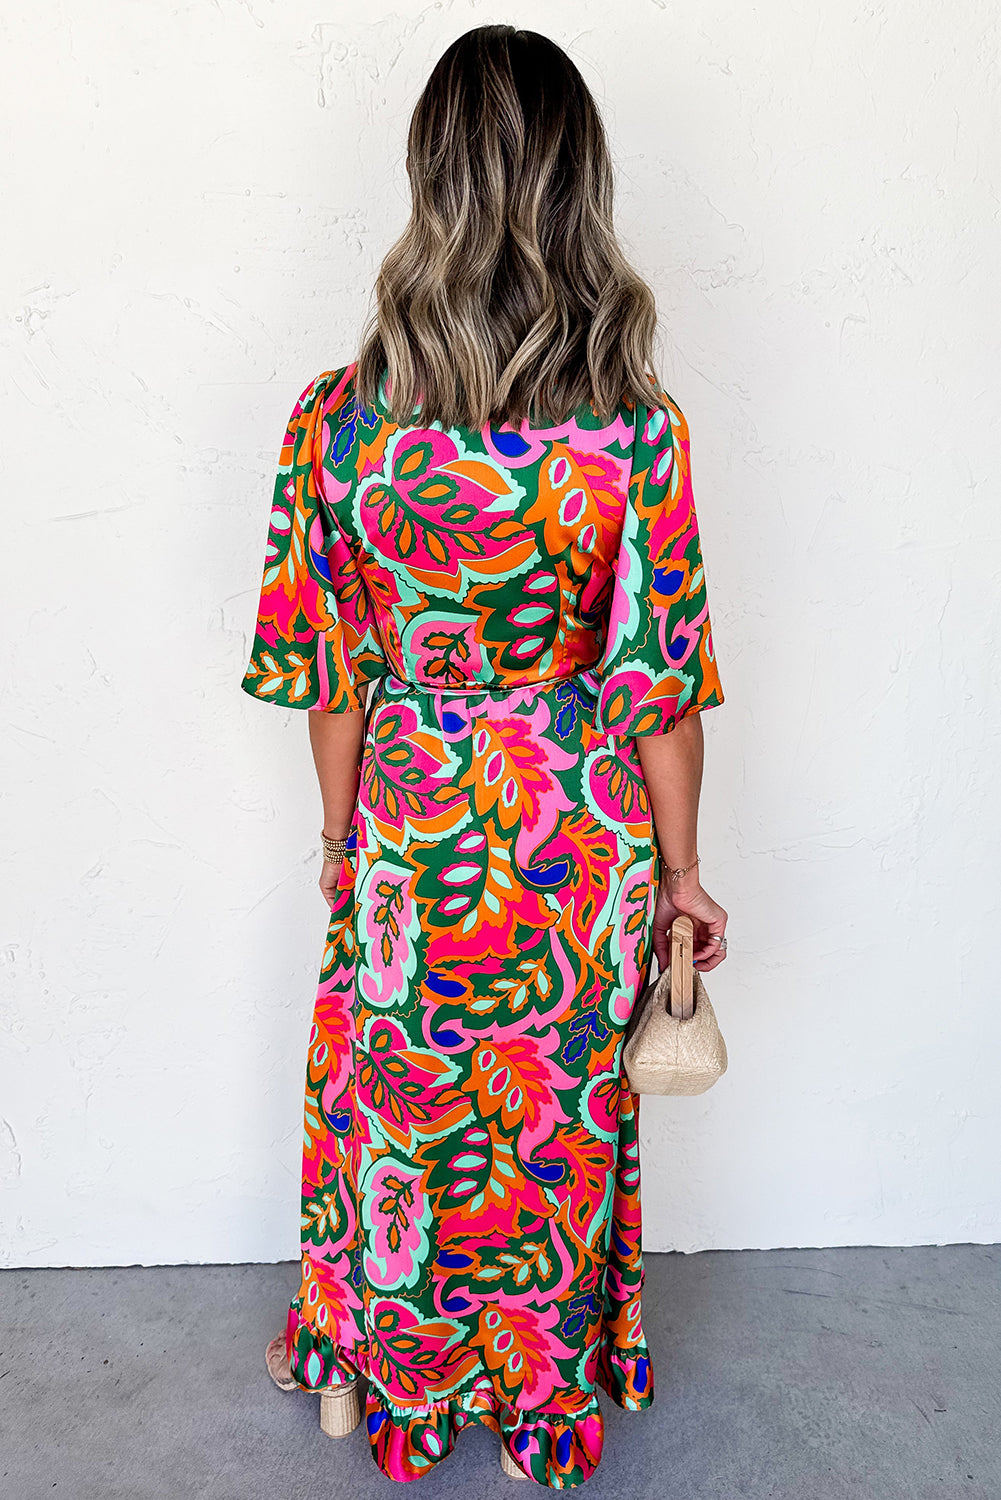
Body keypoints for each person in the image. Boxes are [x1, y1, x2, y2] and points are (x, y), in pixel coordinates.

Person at [241, 22, 729, 1489]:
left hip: (411, 825)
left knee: (391, 1115)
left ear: (427, 184)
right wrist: (682, 875)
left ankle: (372, 1369)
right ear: (582, 188)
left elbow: (327, 671)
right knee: (549, 1122)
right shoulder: (635, 435)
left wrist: (344, 842)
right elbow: (659, 691)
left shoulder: (335, 425)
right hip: (574, 842)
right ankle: (540, 1396)